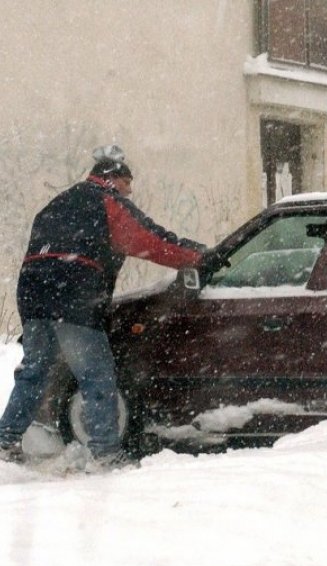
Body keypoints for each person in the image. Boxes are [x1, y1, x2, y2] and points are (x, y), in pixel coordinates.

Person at [0, 145, 210, 467]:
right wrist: (199, 257)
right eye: (128, 183)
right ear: (113, 179)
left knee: (35, 373)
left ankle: (5, 441)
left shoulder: (56, 203)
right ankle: (106, 454)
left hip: (33, 297)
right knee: (96, 377)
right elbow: (151, 241)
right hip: (73, 296)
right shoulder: (107, 202)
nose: (131, 191)